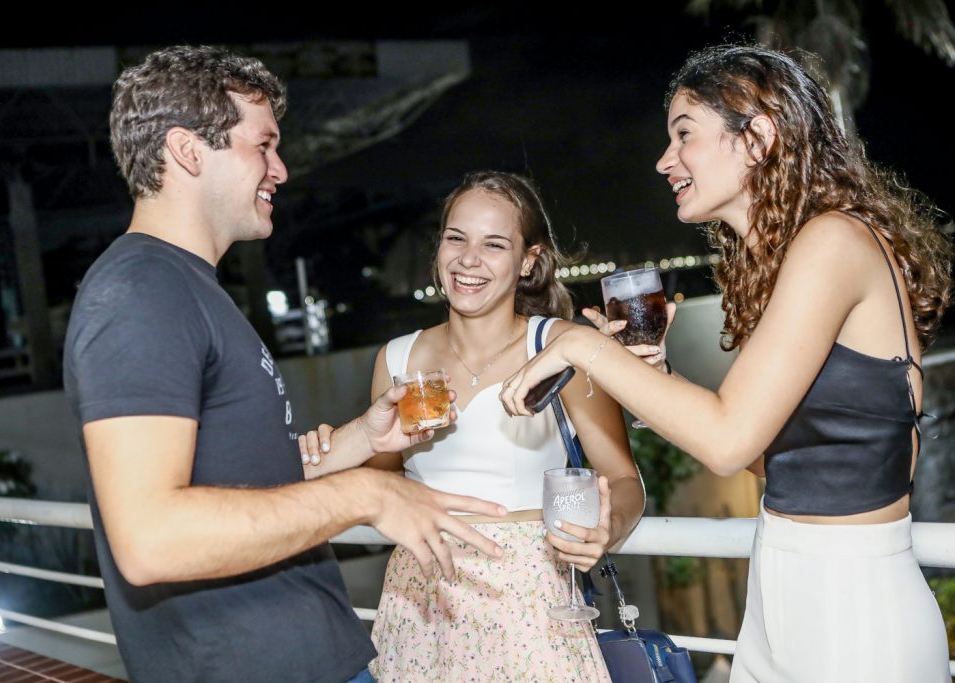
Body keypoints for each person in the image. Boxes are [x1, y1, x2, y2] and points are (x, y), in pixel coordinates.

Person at [501, 45, 953, 682]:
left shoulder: (834, 241)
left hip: (857, 610)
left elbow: (723, 440)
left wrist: (582, 346)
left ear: (759, 136)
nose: (664, 161)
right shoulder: (787, 263)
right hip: (778, 594)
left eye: (683, 134)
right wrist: (657, 383)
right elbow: (761, 454)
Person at [63, 45, 508, 683]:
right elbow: (149, 536)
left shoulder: (187, 288)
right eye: (263, 145)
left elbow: (236, 479)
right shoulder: (140, 292)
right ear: (189, 151)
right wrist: (366, 493)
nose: (282, 168)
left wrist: (362, 440)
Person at [303, 171, 646, 682]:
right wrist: (325, 452)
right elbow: (379, 488)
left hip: (531, 608)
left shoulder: (560, 347)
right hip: (420, 605)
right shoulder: (396, 358)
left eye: (494, 244)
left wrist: (606, 530)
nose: (469, 259)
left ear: (528, 260)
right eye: (456, 238)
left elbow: (624, 480)